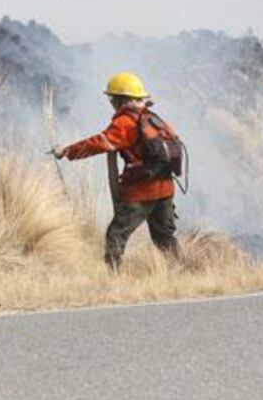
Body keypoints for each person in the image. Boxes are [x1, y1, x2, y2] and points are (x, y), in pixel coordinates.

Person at [53, 72, 182, 270]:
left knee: (117, 233)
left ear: (121, 99)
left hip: (142, 190)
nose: (111, 102)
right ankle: (181, 272)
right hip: (166, 187)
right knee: (164, 237)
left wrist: (67, 151)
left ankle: (112, 276)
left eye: (113, 98)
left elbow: (100, 143)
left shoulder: (126, 122)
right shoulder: (155, 119)